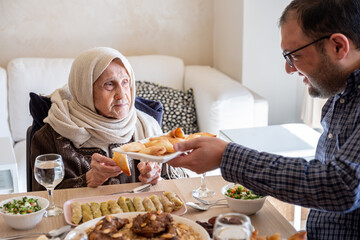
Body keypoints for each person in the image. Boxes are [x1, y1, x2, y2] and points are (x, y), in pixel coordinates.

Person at [168, 0, 360, 239]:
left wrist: (226, 155)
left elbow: (341, 186)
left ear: (338, 47)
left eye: (294, 55)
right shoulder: (339, 97)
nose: (289, 69)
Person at [31, 47, 186, 191]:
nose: (122, 94)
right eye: (109, 84)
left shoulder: (147, 126)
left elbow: (184, 182)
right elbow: (41, 199)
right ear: (85, 90)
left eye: (125, 82)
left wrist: (157, 177)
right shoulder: (51, 135)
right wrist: (87, 180)